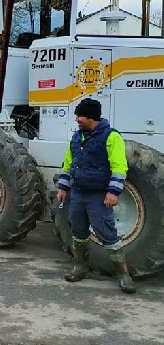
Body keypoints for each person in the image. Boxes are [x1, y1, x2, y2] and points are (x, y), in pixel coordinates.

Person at [56, 98, 136, 294]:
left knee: (107, 233)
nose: (76, 119)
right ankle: (81, 268)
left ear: (91, 117)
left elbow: (119, 167)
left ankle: (124, 276)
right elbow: (68, 164)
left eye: (80, 115)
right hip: (78, 194)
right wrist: (62, 188)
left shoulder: (111, 137)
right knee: (78, 231)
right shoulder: (77, 138)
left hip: (98, 196)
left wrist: (113, 191)